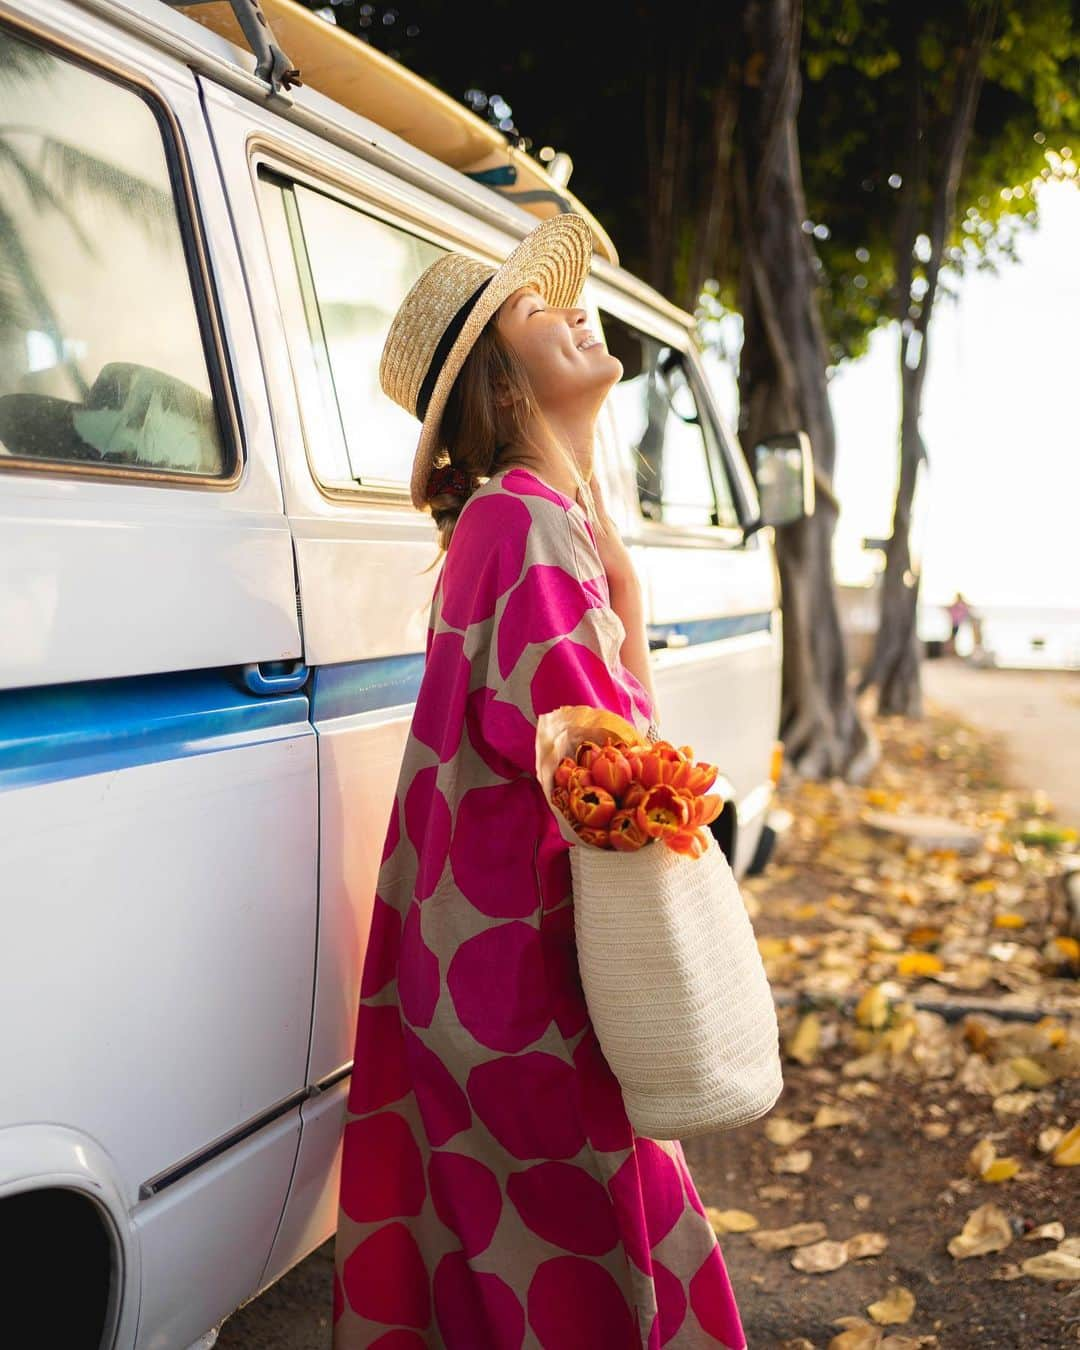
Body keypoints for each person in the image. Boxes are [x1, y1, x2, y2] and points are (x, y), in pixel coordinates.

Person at [332, 213, 746, 1350]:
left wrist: (624, 585)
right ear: (502, 386)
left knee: (525, 1253)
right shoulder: (524, 521)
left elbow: (585, 742)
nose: (574, 309)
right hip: (529, 975)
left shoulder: (527, 517)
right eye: (534, 308)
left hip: (495, 960)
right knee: (595, 1246)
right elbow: (602, 763)